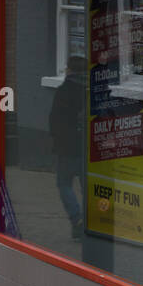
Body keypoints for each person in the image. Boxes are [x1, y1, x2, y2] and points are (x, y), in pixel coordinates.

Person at [49, 55, 88, 239]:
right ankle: (92, 223)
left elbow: (54, 120)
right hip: (87, 146)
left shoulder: (64, 91)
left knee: (64, 183)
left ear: (70, 70)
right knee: (87, 185)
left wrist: (55, 141)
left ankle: (77, 219)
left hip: (67, 147)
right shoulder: (91, 90)